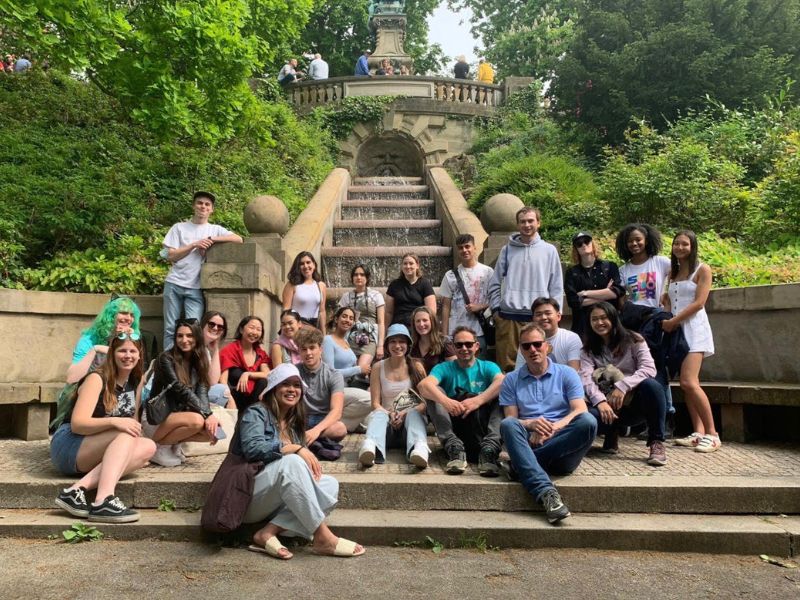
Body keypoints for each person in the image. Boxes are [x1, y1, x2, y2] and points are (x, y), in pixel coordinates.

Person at [236, 363, 365, 559]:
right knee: (292, 462)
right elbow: (252, 449)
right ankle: (322, 536)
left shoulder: (294, 423)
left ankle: (267, 532)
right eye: (285, 384)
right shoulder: (257, 412)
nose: (292, 390)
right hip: (247, 496)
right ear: (273, 388)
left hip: (274, 500)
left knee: (329, 484)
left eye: (296, 385)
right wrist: (294, 448)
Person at [52, 334, 155, 523]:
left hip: (100, 445)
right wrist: (114, 422)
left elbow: (133, 421)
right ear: (112, 354)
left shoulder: (137, 380)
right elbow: (78, 424)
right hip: (69, 444)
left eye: (133, 351)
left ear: (140, 355)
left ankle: (76, 490)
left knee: (148, 446)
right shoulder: (97, 378)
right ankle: (103, 501)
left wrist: (131, 445)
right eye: (122, 350)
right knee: (126, 431)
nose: (128, 355)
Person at [500, 324, 596, 524]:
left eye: (537, 344)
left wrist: (553, 429)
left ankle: (520, 465)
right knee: (508, 424)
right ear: (520, 350)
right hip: (529, 438)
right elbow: (512, 418)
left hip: (561, 446)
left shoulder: (567, 373)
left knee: (588, 421)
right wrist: (531, 424)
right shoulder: (511, 379)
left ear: (547, 347)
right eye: (526, 346)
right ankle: (547, 493)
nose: (532, 350)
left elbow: (579, 409)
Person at [580, 302, 668, 465]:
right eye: (594, 319)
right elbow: (585, 379)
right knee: (588, 418)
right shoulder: (587, 350)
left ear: (613, 318)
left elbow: (649, 368)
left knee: (652, 386)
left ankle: (656, 442)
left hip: (633, 404)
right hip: (607, 407)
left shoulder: (634, 340)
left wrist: (623, 386)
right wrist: (600, 402)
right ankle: (611, 432)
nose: (599, 323)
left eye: (603, 318)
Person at [418, 326, 505, 476]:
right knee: (434, 391)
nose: (464, 348)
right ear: (453, 347)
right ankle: (454, 448)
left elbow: (503, 381)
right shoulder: (444, 368)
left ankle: (490, 450)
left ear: (477, 346)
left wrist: (479, 400)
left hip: (482, 427)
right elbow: (423, 385)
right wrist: (447, 402)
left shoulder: (488, 366)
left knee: (504, 393)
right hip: (456, 424)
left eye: (468, 344)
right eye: (459, 345)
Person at [162, 191, 242, 351]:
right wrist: (194, 245)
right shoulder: (179, 228)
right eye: (200, 203)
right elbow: (170, 255)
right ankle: (168, 364)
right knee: (171, 328)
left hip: (196, 286)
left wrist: (211, 240)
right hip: (174, 283)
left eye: (207, 204)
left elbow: (239, 239)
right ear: (193, 206)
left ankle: (188, 364)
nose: (203, 206)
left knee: (194, 329)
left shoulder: (214, 229)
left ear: (211, 209)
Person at [662, 230, 719, 452]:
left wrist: (673, 321)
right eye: (677, 244)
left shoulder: (702, 269)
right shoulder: (673, 272)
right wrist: (665, 310)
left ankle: (712, 434)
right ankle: (698, 432)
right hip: (676, 332)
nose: (680, 248)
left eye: (685, 244)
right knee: (687, 385)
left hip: (694, 330)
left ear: (692, 246)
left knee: (688, 382)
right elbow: (671, 302)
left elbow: (699, 303)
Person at [488, 206, 563, 372]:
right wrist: (496, 311)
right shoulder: (507, 250)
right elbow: (494, 283)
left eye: (531, 221)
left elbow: (556, 286)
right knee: (507, 367)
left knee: (540, 364)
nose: (527, 225)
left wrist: (554, 315)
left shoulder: (549, 251)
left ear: (538, 223)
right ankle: (508, 397)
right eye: (523, 221)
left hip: (538, 317)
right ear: (517, 225)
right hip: (509, 317)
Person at [615, 223, 675, 427]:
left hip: (655, 321)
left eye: (638, 239)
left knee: (657, 368)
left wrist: (668, 302)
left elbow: (680, 275)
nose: (634, 243)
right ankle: (644, 418)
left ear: (647, 240)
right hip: (633, 323)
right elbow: (621, 298)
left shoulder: (660, 262)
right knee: (636, 368)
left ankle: (665, 416)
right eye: (630, 241)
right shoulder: (624, 269)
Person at [147, 320, 219, 467]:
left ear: (197, 337)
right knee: (198, 421)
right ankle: (158, 447)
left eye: (189, 336)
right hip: (158, 416)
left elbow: (202, 391)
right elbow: (179, 389)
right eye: (180, 336)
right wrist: (207, 414)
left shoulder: (199, 360)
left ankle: (173, 445)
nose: (184, 340)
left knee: (212, 431)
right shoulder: (165, 359)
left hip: (179, 415)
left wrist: (209, 416)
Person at [358, 324, 431, 468]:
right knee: (378, 413)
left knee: (414, 413)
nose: (397, 346)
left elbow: (424, 403)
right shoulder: (378, 367)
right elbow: (375, 404)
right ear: (386, 345)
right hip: (386, 427)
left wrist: (404, 413)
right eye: (393, 341)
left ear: (408, 345)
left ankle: (420, 448)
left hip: (409, 427)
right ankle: (370, 447)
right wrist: (389, 414)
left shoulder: (416, 366)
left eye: (402, 341)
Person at [296, 328, 371, 450]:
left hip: (322, 419)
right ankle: (309, 441)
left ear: (320, 349)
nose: (308, 353)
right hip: (300, 419)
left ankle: (303, 439)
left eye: (312, 348)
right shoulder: (294, 371)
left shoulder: (333, 374)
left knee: (340, 429)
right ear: (299, 351)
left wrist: (316, 430)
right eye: (304, 349)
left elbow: (336, 411)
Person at [439, 233, 494, 356]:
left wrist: (480, 306)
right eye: (460, 248)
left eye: (467, 246)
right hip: (456, 332)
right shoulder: (450, 275)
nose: (464, 250)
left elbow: (496, 299)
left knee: (478, 368)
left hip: (479, 330)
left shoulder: (488, 272)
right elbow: (446, 306)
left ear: (475, 248)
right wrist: (444, 335)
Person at [66, 296, 141, 384]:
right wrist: (95, 349)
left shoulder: (133, 339)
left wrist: (126, 341)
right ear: (110, 315)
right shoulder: (88, 340)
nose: (129, 318)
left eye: (132, 315)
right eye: (124, 313)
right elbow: (71, 379)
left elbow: (136, 376)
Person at [564, 232, 625, 341]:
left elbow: (617, 292)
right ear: (575, 249)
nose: (583, 245)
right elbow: (573, 301)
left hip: (609, 322)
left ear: (593, 243)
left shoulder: (609, 266)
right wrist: (606, 293)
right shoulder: (572, 272)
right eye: (579, 244)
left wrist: (585, 294)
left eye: (587, 241)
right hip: (583, 326)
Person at [338, 264, 386, 369]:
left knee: (361, 368)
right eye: (356, 275)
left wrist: (380, 346)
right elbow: (339, 322)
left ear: (367, 277)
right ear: (352, 278)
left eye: (362, 275)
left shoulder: (376, 295)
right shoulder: (346, 297)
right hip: (350, 338)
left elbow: (381, 322)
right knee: (348, 368)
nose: (358, 277)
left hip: (370, 338)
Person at [514, 298, 582, 371]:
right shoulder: (527, 341)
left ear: (558, 316)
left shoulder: (571, 338)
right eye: (538, 314)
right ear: (533, 319)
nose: (543, 317)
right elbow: (519, 372)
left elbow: (574, 372)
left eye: (548, 313)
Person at [220, 316, 272, 410]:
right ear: (241, 329)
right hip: (234, 400)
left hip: (255, 402)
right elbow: (222, 381)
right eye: (251, 328)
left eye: (258, 329)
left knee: (263, 382)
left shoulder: (260, 353)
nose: (255, 332)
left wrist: (248, 374)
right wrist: (229, 400)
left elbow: (268, 374)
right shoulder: (229, 350)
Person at [385, 253, 436, 328]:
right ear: (402, 266)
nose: (408, 266)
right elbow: (389, 312)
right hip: (398, 325)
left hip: (418, 325)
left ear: (417, 266)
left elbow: (431, 311)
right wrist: (386, 330)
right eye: (405, 264)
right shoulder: (394, 285)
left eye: (411, 263)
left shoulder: (425, 284)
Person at [323, 307, 372, 384]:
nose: (347, 320)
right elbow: (329, 373)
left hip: (349, 384)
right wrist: (359, 369)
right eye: (344, 316)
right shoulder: (328, 340)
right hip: (335, 387)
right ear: (336, 319)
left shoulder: (346, 342)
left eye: (351, 318)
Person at [282, 251, 327, 333]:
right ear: (298, 267)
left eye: (308, 262)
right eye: (302, 264)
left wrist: (324, 334)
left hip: (314, 327)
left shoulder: (321, 285)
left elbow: (322, 311)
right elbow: (286, 310)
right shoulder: (292, 284)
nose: (306, 266)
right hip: (297, 327)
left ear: (314, 264)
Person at [200, 311, 234, 408]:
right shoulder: (192, 344)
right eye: (211, 324)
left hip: (197, 392)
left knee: (222, 390)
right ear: (203, 324)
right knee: (222, 391)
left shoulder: (206, 350)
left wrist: (215, 350)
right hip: (180, 393)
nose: (215, 328)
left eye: (220, 327)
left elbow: (213, 381)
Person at [409, 306, 455, 374]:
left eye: (425, 320)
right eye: (418, 321)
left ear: (432, 322)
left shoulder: (444, 342)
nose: (421, 324)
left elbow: (453, 370)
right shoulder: (411, 345)